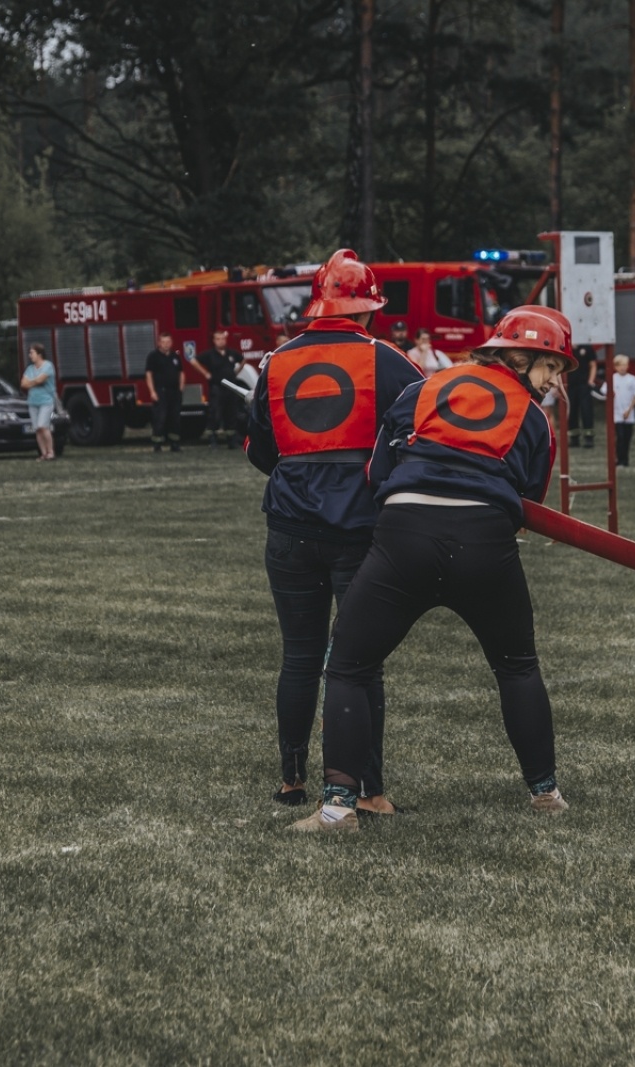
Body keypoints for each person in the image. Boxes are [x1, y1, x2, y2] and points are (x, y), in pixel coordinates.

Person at [292, 305, 573, 832]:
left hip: (404, 537)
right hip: (486, 542)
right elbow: (528, 502)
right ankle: (545, 793)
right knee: (516, 666)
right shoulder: (535, 419)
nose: (554, 380)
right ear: (522, 357)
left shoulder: (423, 388)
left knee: (349, 665)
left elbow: (379, 470)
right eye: (551, 367)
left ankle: (336, 809)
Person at [247, 248, 423, 815]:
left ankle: (291, 780)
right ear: (367, 308)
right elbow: (420, 434)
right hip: (359, 529)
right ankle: (368, 790)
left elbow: (261, 452)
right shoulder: (390, 360)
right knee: (358, 661)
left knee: (299, 657)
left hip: (289, 528)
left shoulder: (275, 361)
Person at [196, 328, 245, 448]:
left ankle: (231, 440)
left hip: (231, 388)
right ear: (214, 341)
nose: (221, 341)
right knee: (215, 413)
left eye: (223, 339)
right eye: (218, 339)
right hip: (217, 388)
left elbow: (243, 360)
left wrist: (236, 372)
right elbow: (194, 361)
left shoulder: (231, 353)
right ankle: (213, 439)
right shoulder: (210, 354)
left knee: (231, 413)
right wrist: (206, 374)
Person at [145, 332, 185, 453]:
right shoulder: (153, 356)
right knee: (160, 418)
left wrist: (181, 388)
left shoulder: (175, 356)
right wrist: (152, 391)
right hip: (160, 391)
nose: (166, 344)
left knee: (175, 418)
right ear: (159, 343)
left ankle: (175, 444)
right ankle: (157, 444)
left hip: (174, 392)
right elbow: (149, 374)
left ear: (171, 343)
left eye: (168, 342)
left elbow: (181, 373)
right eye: (163, 342)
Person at [21, 342, 58, 460]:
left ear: (39, 354)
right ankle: (43, 454)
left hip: (46, 401)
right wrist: (33, 382)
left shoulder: (48, 366)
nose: (29, 355)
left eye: (32, 353)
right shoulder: (30, 369)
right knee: (37, 428)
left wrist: (31, 382)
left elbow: (40, 380)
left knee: (43, 426)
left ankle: (50, 452)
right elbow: (23, 384)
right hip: (33, 402)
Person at [612, 354, 635, 467]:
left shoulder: (632, 379)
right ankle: (619, 460)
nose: (623, 367)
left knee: (627, 438)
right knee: (620, 437)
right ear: (615, 367)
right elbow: (606, 393)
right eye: (620, 365)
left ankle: (625, 460)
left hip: (629, 415)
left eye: (625, 365)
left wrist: (629, 410)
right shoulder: (612, 379)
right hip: (617, 414)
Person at [567, 343, 600, 447]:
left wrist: (590, 381)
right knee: (571, 412)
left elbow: (593, 365)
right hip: (570, 386)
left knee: (586, 411)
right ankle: (574, 438)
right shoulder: (566, 347)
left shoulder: (587, 347)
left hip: (584, 385)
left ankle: (589, 438)